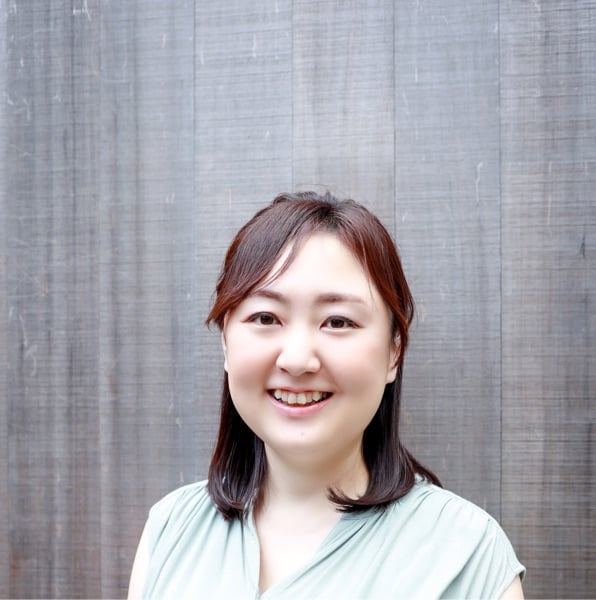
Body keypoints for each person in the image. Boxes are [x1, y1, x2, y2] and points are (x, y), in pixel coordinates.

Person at [128, 191, 525, 599]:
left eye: (337, 322)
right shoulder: (170, 532)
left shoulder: (468, 558)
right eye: (265, 317)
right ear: (226, 343)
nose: (297, 359)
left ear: (394, 351)